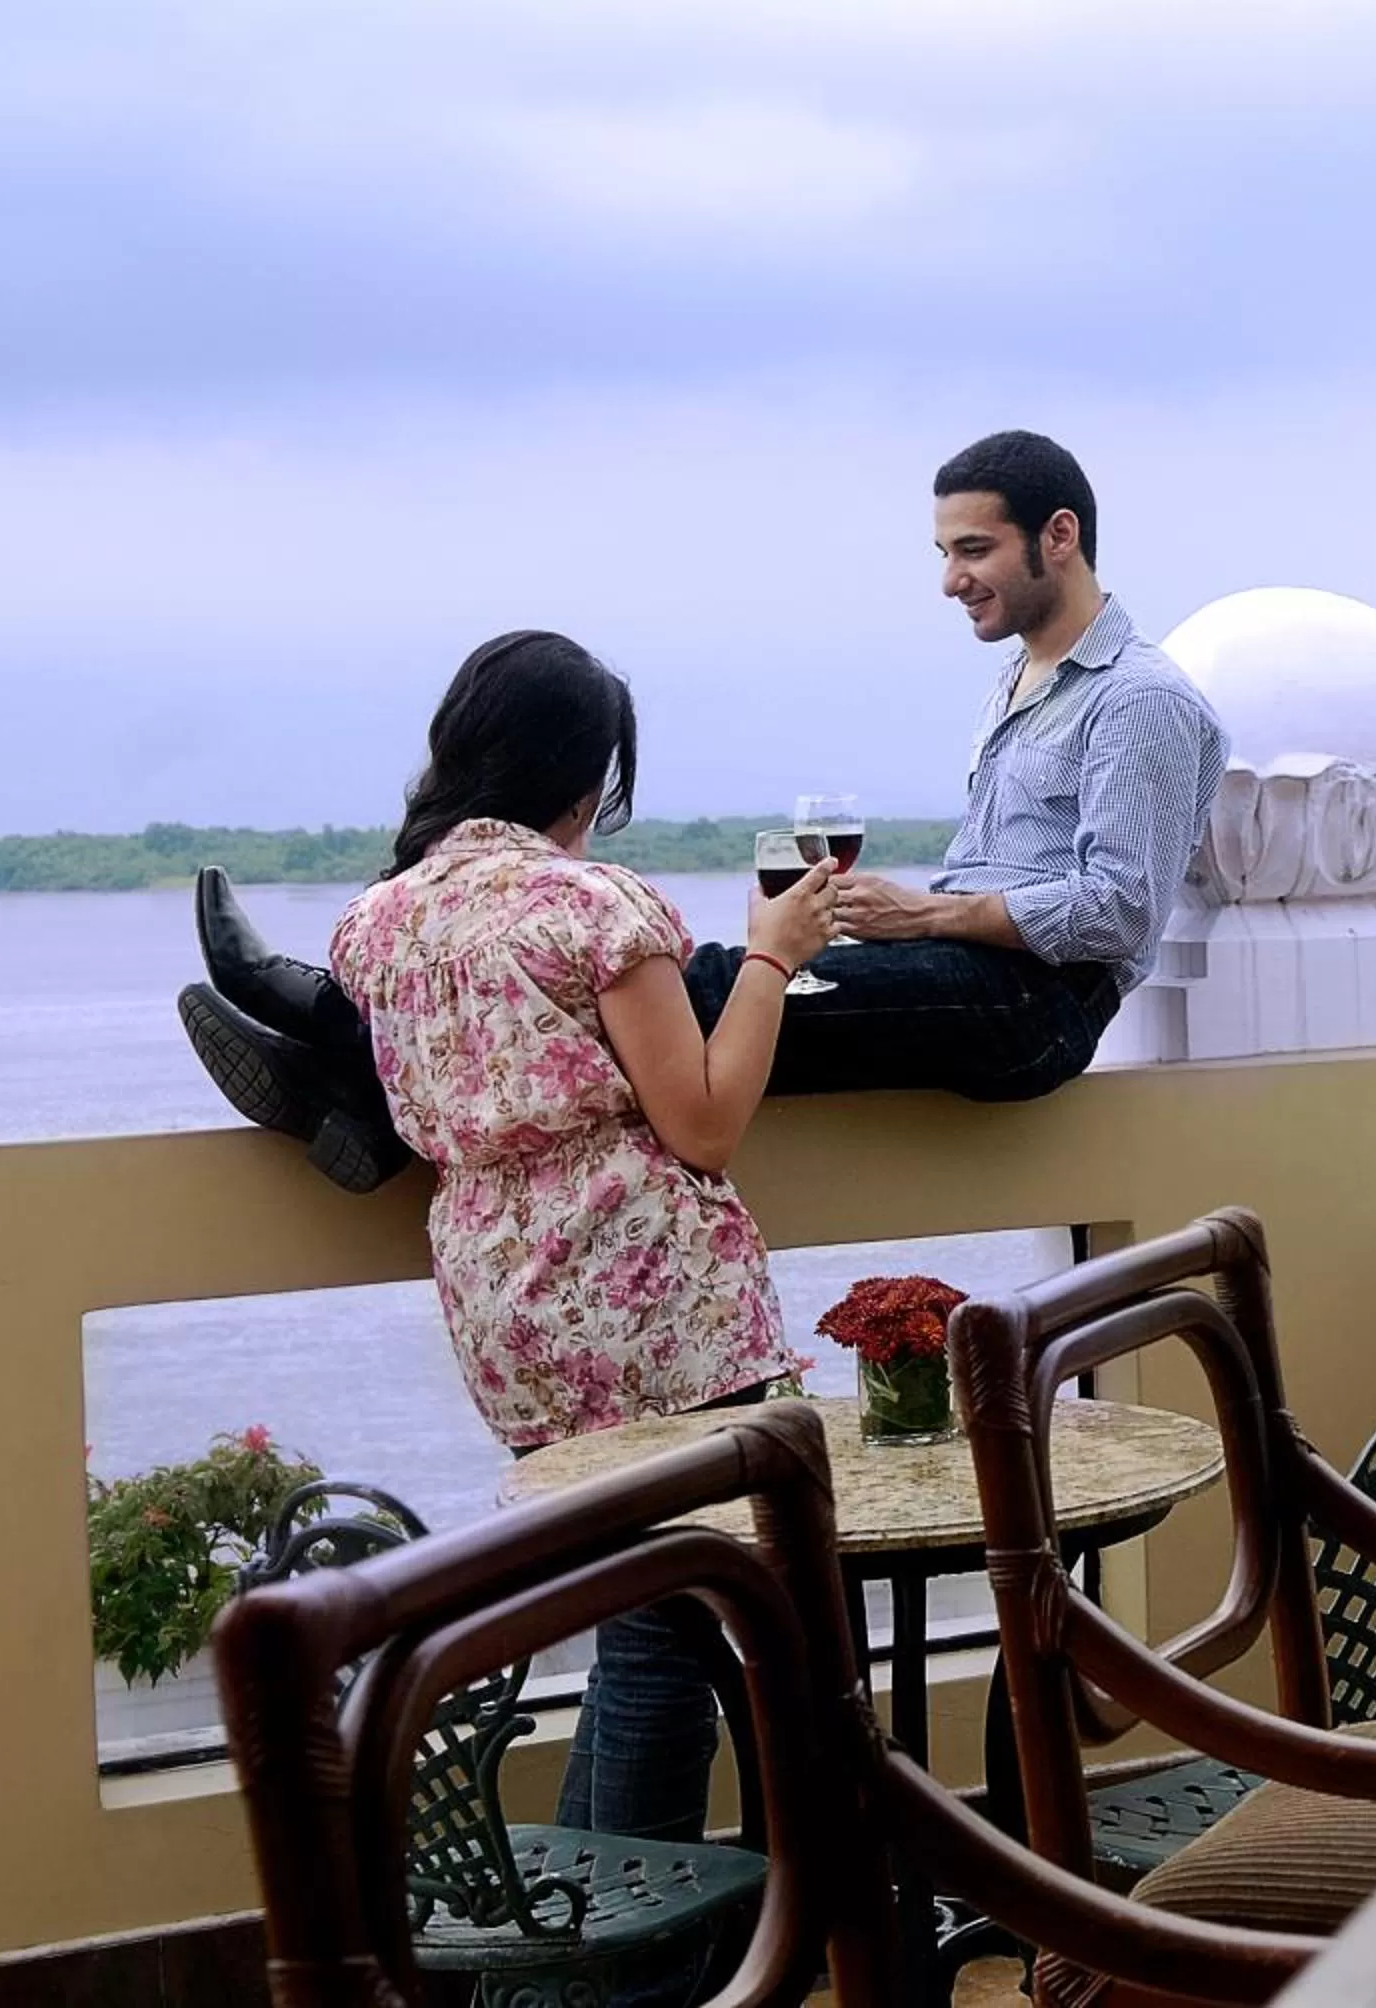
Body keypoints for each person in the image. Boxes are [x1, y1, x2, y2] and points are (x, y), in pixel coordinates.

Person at [182, 429, 1228, 1190]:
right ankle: (362, 1098)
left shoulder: (1139, 699)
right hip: (972, 981)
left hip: (1033, 1011)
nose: (952, 579)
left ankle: (335, 1028)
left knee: (696, 985)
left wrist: (925, 916)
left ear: (1060, 536)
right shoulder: (1022, 683)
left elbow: (1116, 912)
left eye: (974, 550)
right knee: (660, 1008)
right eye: (945, 554)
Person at [284, 632, 834, 1940]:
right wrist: (771, 957)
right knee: (668, 1644)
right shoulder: (598, 908)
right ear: (586, 784)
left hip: (501, 1295)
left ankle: (577, 1942)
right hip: (647, 1299)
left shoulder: (379, 924)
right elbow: (700, 1122)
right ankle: (622, 1964)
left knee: (630, 1615)